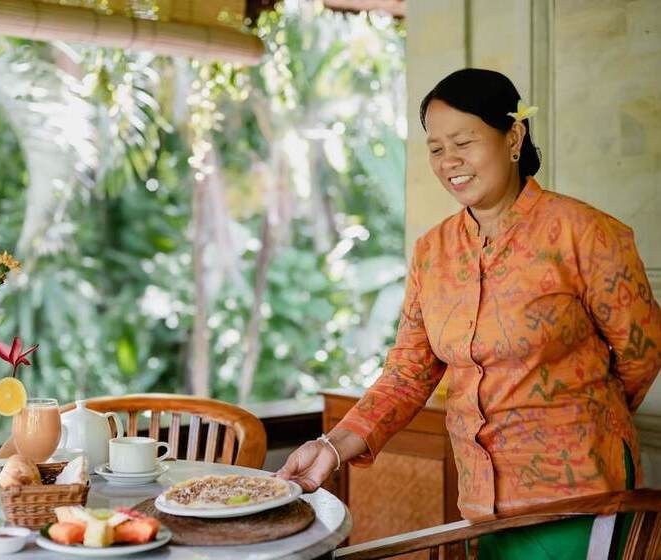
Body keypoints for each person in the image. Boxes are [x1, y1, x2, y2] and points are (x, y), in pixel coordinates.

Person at [276, 68, 661, 559]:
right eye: (436, 148)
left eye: (463, 142)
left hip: (579, 499)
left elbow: (643, 353)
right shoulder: (433, 252)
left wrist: (580, 413)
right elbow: (408, 373)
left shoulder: (585, 233)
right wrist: (330, 448)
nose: (449, 161)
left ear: (513, 137)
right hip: (482, 502)